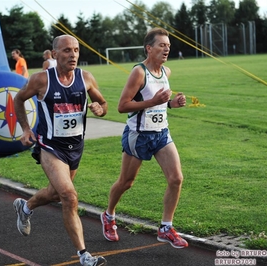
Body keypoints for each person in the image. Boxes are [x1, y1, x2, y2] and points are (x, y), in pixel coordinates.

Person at [13, 35, 108, 266]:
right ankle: (84, 255)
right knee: (69, 196)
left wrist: (99, 108)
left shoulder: (86, 78)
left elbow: (104, 105)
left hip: (75, 147)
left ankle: (25, 207)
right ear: (54, 54)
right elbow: (18, 99)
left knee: (55, 193)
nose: (73, 55)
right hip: (50, 146)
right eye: (67, 50)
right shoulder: (41, 80)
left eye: (76, 50)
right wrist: (26, 129)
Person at [100, 28, 189, 249]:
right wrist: (154, 101)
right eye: (162, 45)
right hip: (138, 135)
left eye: (168, 46)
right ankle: (109, 216)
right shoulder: (139, 73)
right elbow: (122, 106)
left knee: (176, 179)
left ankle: (166, 228)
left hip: (161, 133)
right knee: (126, 182)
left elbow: (159, 102)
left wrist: (171, 104)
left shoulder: (166, 72)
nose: (166, 49)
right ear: (149, 48)